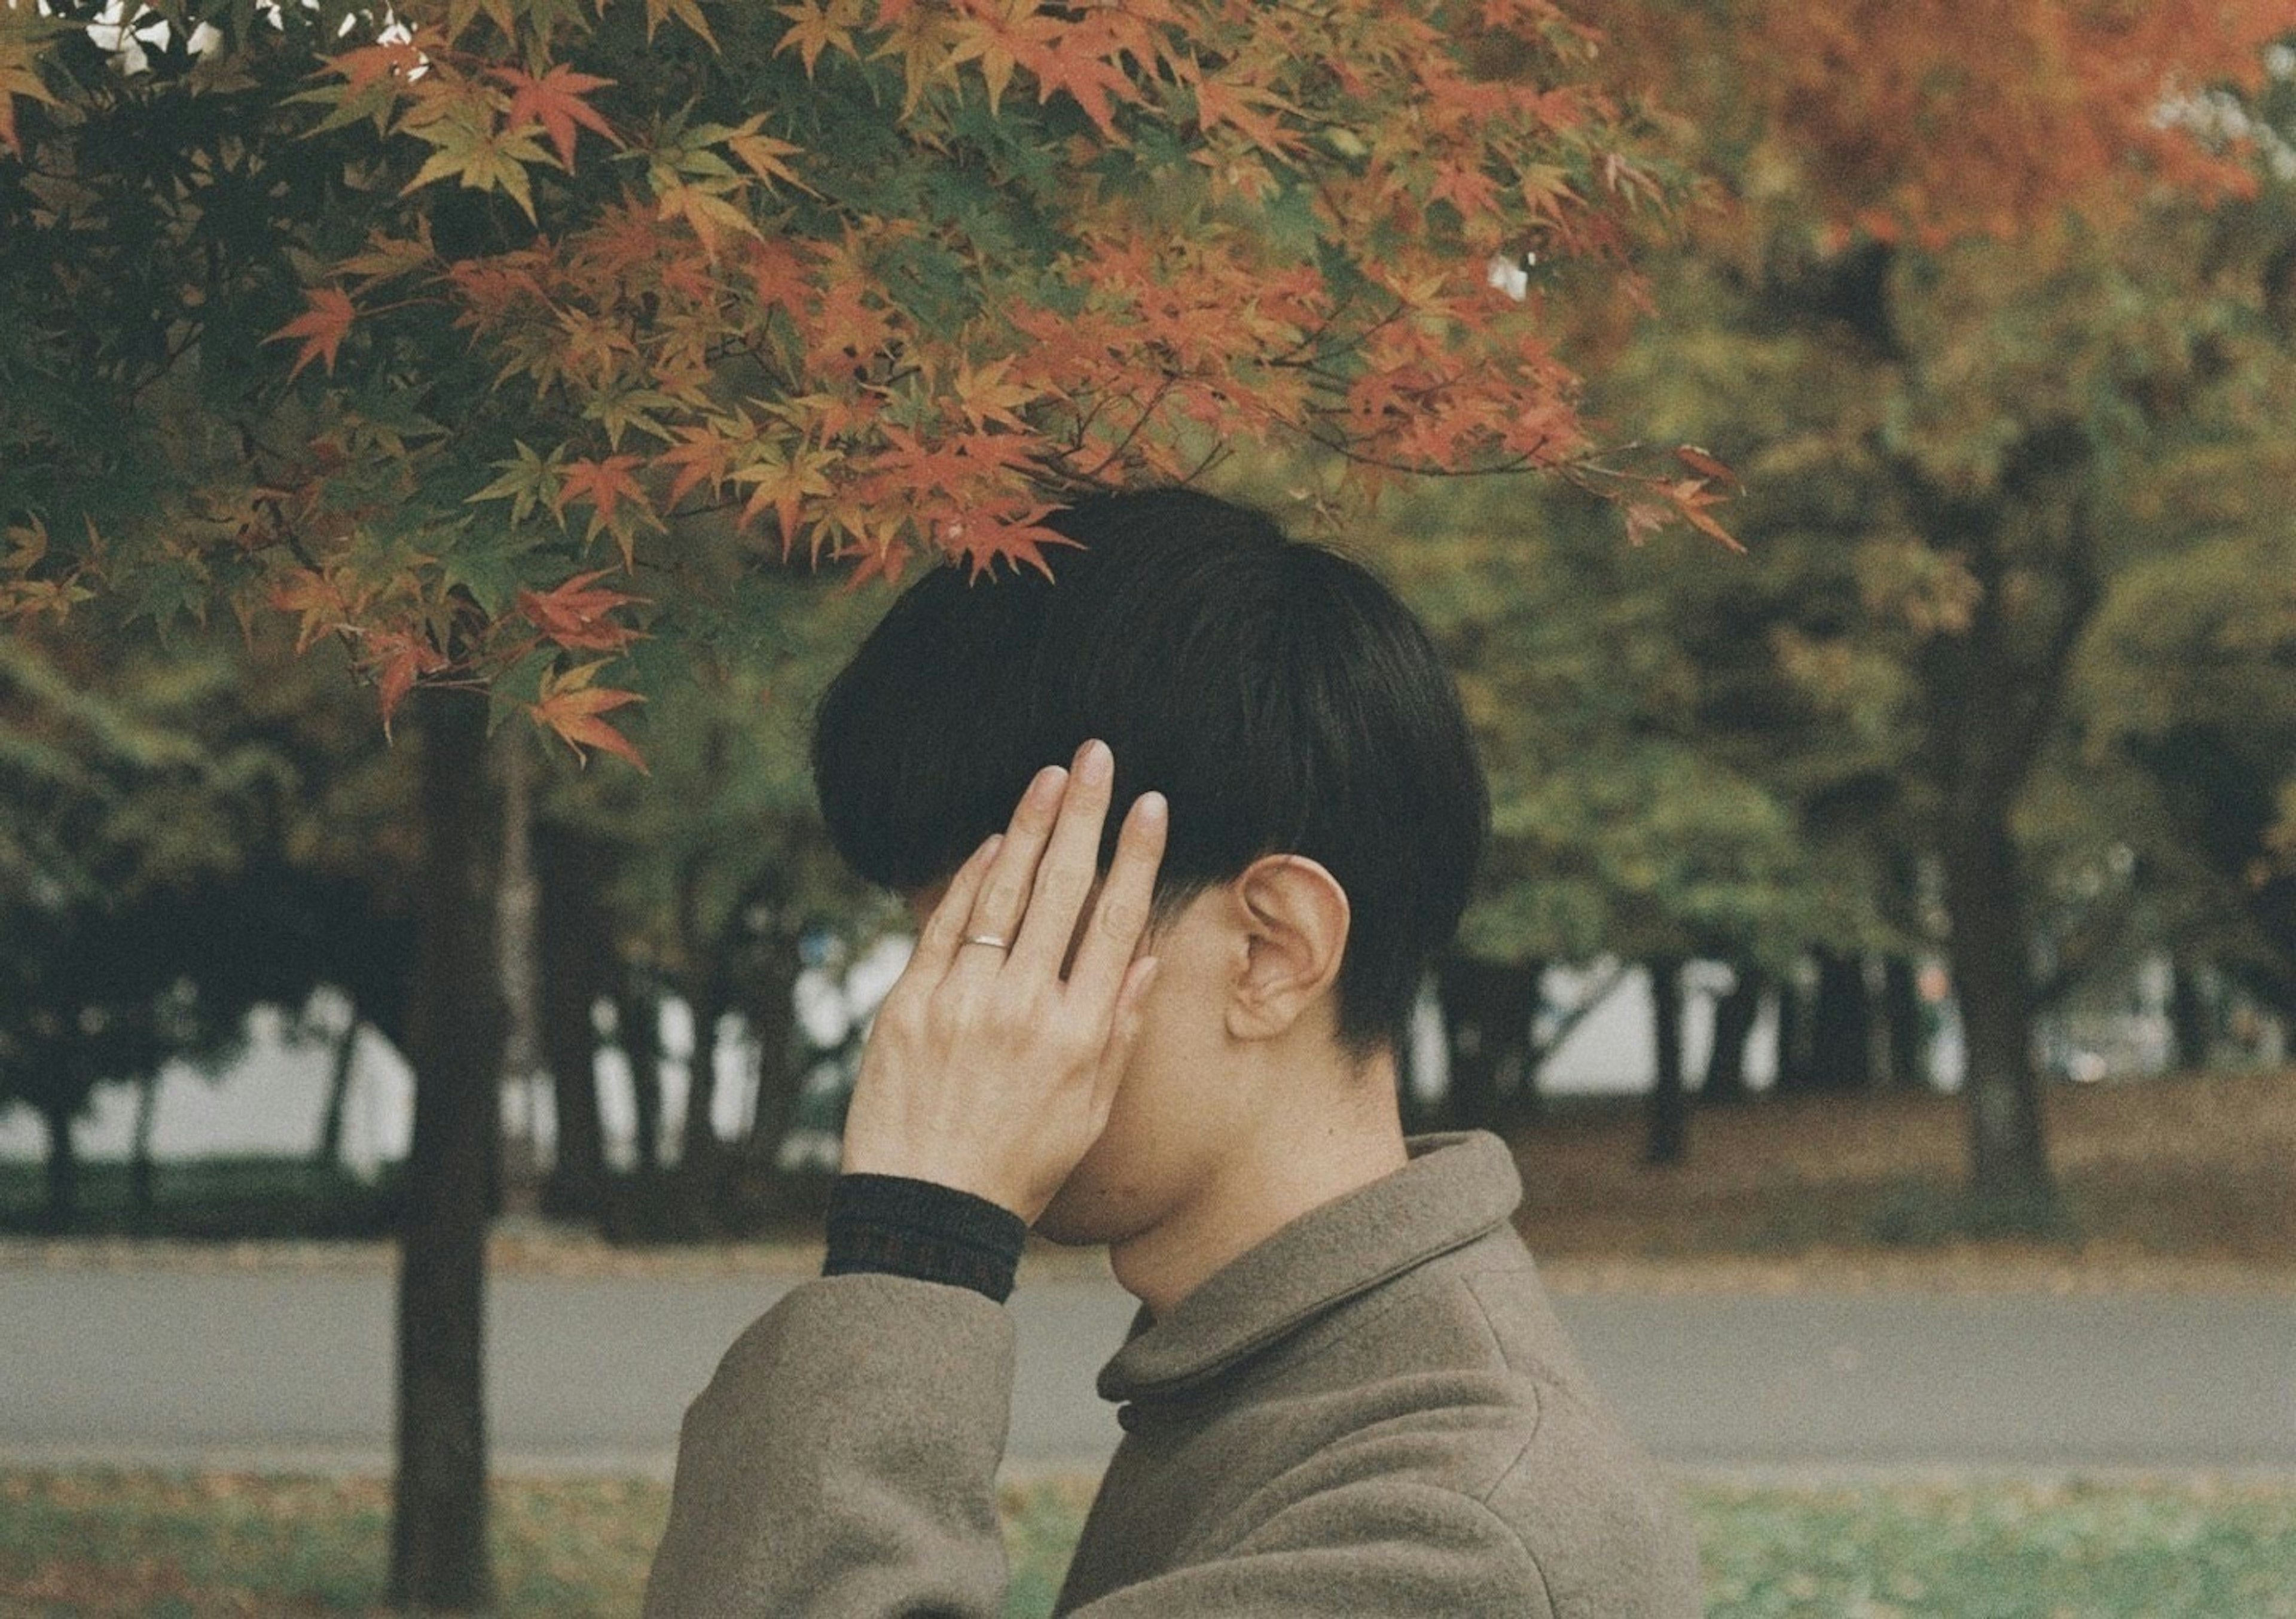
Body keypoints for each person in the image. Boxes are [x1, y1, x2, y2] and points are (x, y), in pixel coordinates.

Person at [643, 489, 1702, 1616]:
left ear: (1271, 952)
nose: (929, 1019)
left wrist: (916, 1246)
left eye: (1005, 937)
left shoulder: (1460, 1537)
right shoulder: (1286, 1391)